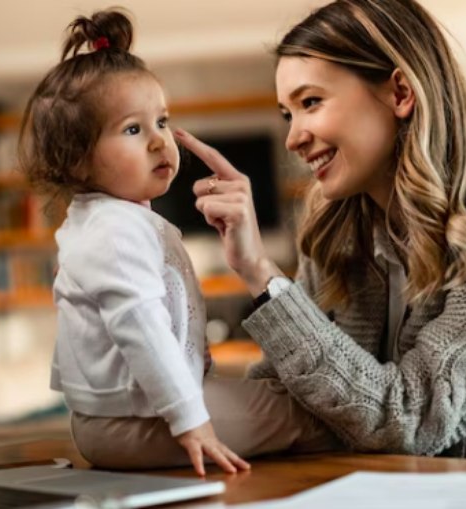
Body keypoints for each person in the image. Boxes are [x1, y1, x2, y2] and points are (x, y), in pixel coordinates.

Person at [179, 0, 466, 466]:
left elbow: (411, 421)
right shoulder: (337, 235)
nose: (293, 137)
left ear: (399, 93)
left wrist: (262, 276)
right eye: (287, 114)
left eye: (310, 102)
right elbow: (286, 397)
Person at [18, 8, 339, 476]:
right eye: (133, 129)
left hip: (122, 418)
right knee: (311, 414)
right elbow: (140, 326)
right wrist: (192, 421)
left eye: (162, 122)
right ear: (78, 162)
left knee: (282, 401)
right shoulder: (114, 232)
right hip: (133, 424)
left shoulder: (114, 221)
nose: (158, 142)